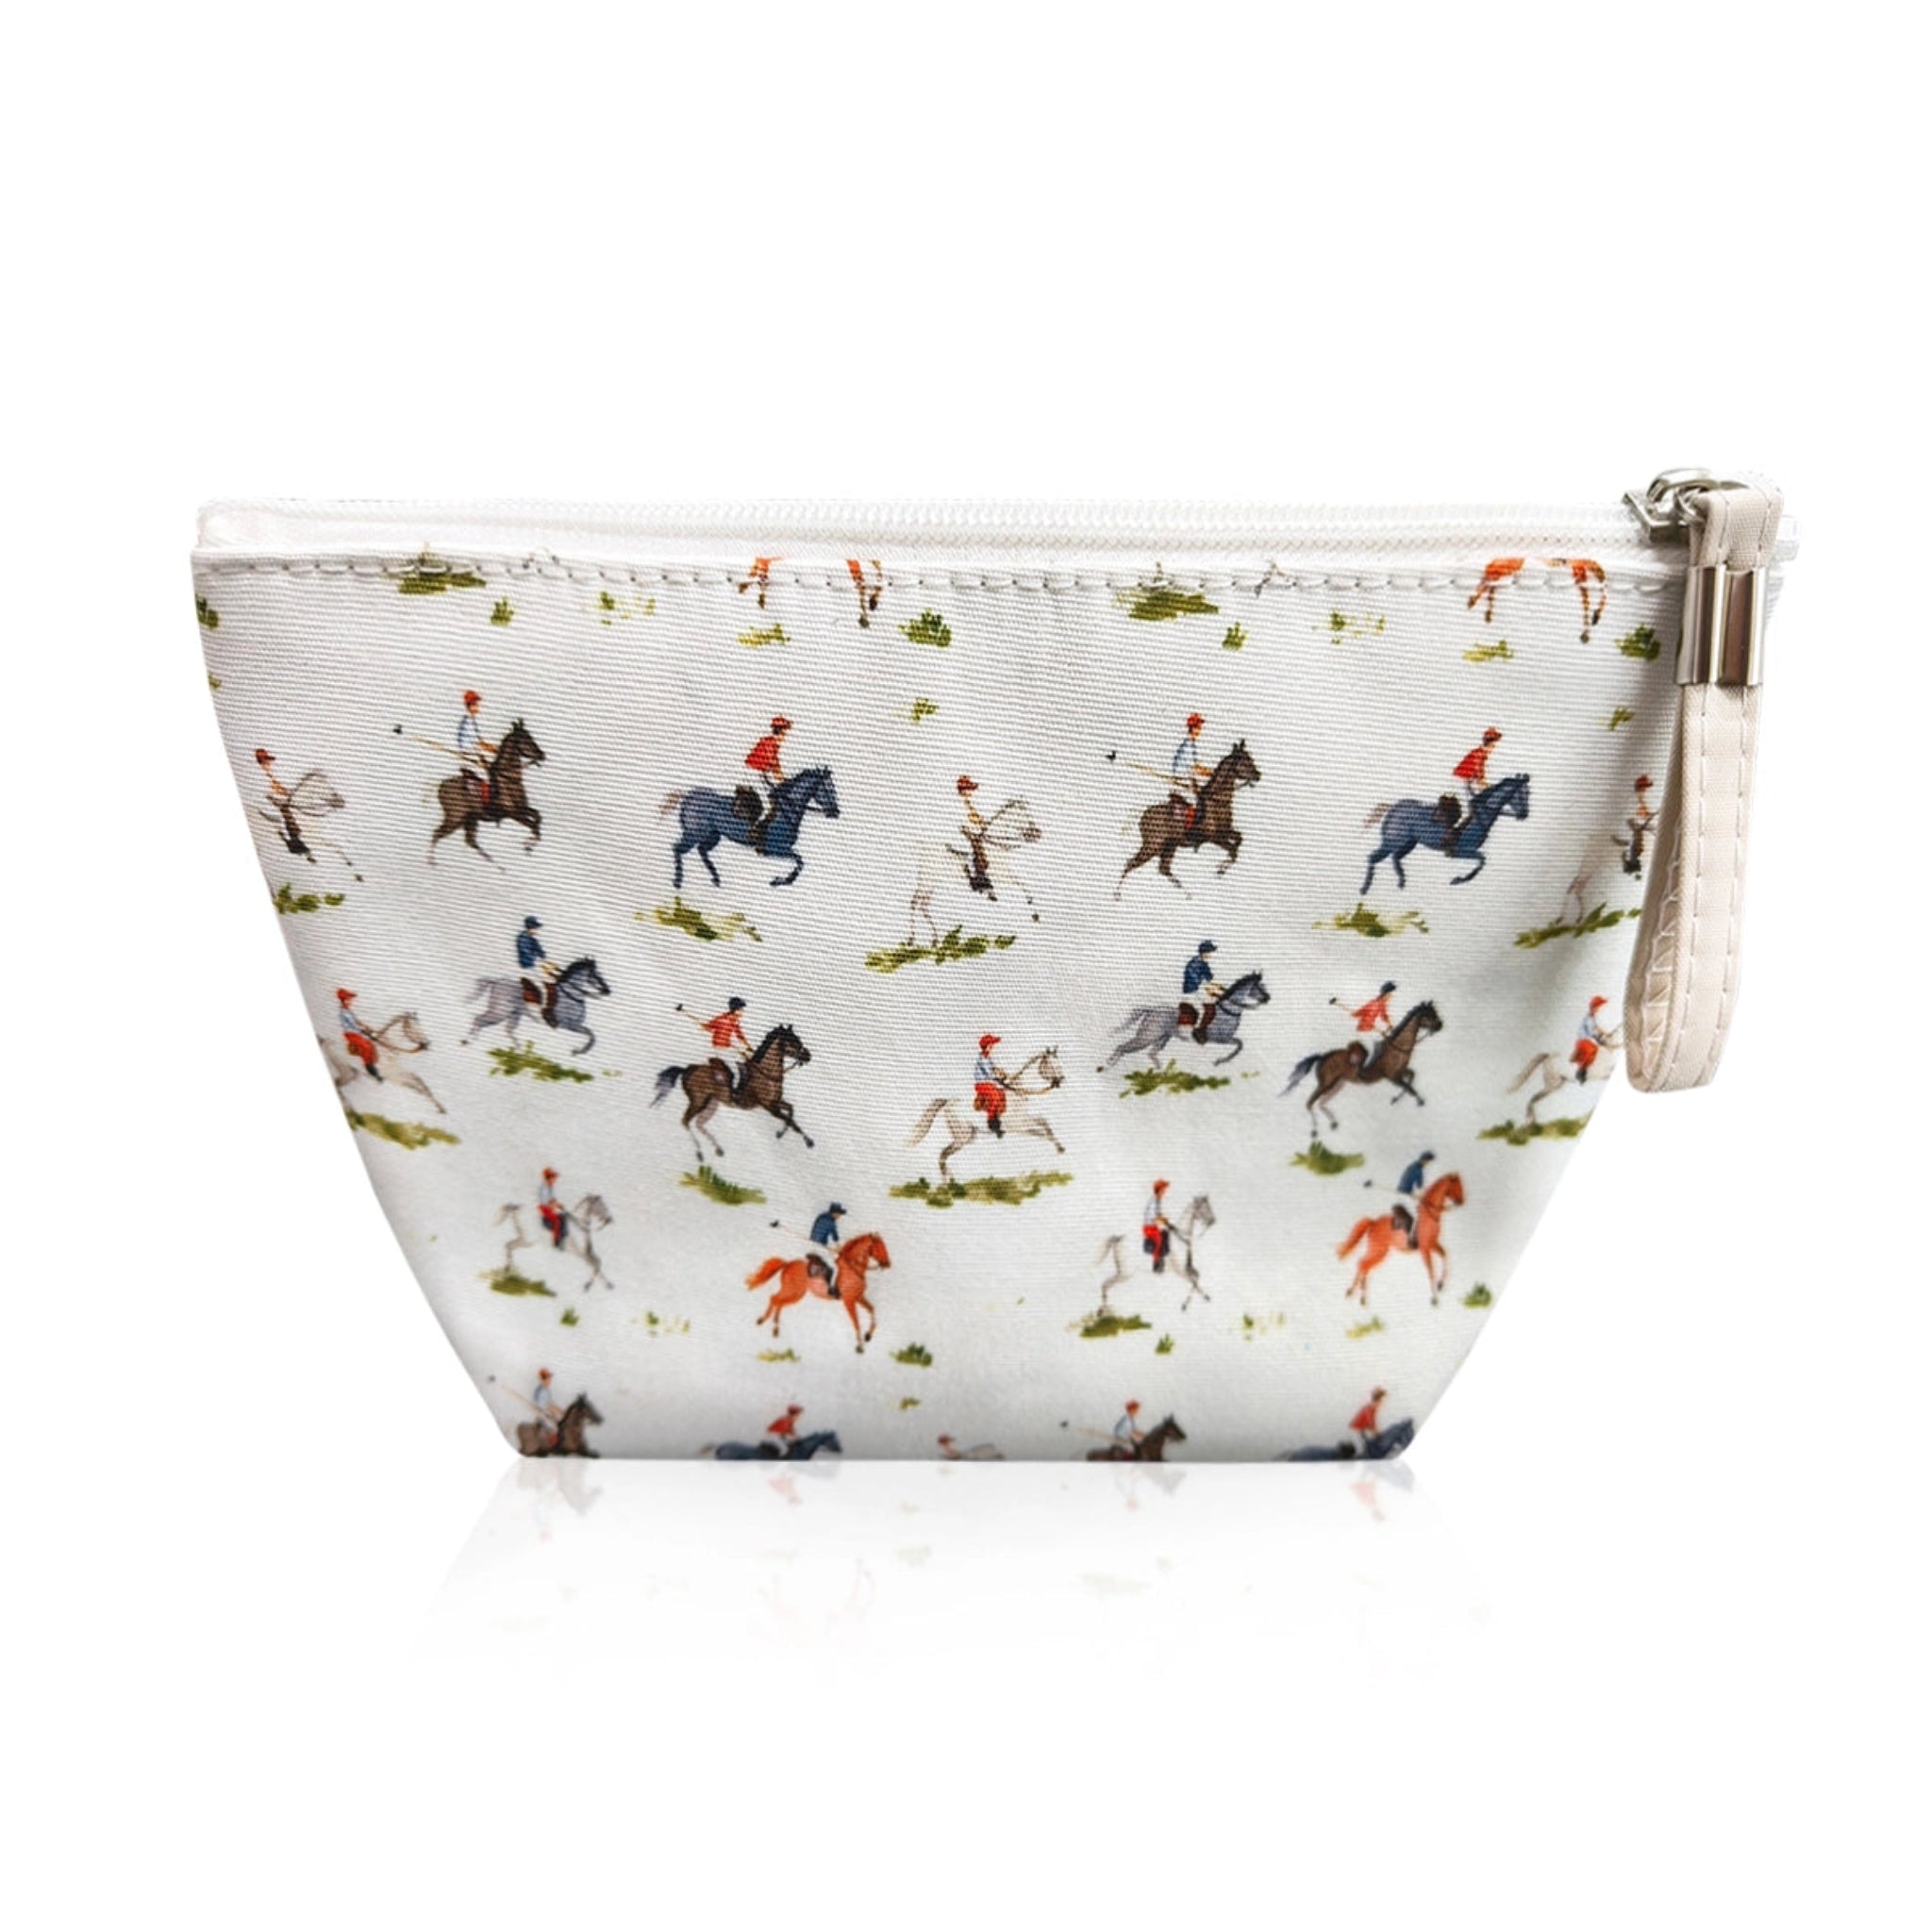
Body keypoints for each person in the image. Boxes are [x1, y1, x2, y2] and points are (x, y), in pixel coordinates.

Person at [1439, 726, 1502, 853]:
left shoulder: (1481, 753)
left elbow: (1480, 779)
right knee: (1468, 810)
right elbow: (1480, 777)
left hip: (1465, 782)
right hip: (1460, 782)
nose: (1495, 747)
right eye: (1494, 743)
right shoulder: (1480, 754)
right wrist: (1488, 789)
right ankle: (1448, 841)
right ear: (1490, 743)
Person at [743, 715, 792, 850]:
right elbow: (774, 767)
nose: (786, 735)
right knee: (767, 806)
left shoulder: (772, 743)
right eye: (785, 731)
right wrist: (783, 781)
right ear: (780, 731)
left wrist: (783, 781)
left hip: (760, 773)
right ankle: (754, 831)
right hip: (752, 773)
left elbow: (775, 768)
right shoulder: (770, 744)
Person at [255, 748, 308, 856]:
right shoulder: (260, 776)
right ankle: (292, 843)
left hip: (278, 801)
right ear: (261, 761)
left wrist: (285, 792)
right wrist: (279, 795)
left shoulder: (270, 772)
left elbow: (278, 787)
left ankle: (296, 840)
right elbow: (268, 792)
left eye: (268, 760)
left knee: (290, 815)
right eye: (266, 760)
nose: (269, 762)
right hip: (268, 805)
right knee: (284, 818)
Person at [517, 915, 560, 1023]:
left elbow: (541, 953)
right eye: (535, 928)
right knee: (543, 988)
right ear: (530, 927)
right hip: (526, 967)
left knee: (553, 980)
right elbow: (527, 953)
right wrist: (539, 961)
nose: (536, 930)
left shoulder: (533, 939)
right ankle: (543, 1011)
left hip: (534, 966)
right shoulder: (522, 938)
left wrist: (550, 963)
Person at [456, 691, 496, 806]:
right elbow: (478, 743)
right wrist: (492, 749)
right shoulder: (468, 722)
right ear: (470, 706)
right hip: (469, 755)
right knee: (487, 776)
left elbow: (480, 741)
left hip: (475, 754)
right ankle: (484, 806)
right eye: (476, 705)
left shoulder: (471, 721)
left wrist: (492, 748)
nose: (478, 707)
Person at [1172, 713, 1211, 830]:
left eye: (1199, 728)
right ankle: (1188, 831)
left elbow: (1196, 766)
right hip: (1182, 781)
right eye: (1197, 728)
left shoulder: (1191, 745)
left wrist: (1209, 772)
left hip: (1188, 780)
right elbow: (1194, 768)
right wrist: (1210, 773)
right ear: (1192, 729)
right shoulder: (1188, 746)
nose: (1199, 731)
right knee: (1196, 802)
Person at [1180, 941, 1224, 1043]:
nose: (1210, 955)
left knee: (1214, 1002)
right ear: (1204, 952)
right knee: (1202, 1010)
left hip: (1198, 992)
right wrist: (1208, 989)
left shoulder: (1204, 964)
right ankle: (1196, 1030)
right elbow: (1194, 981)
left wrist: (1221, 988)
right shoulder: (1193, 964)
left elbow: (1210, 979)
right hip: (1190, 993)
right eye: (1209, 952)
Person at [957, 775, 994, 895]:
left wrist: (982, 824)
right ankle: (977, 878)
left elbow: (977, 818)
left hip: (974, 833)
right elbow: (963, 821)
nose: (971, 792)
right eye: (968, 789)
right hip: (964, 835)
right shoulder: (959, 804)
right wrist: (971, 830)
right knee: (976, 850)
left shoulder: (970, 803)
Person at [336, 988, 381, 1082]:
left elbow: (356, 1021)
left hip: (356, 1033)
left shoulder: (348, 1010)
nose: (350, 1002)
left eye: (350, 1000)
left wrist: (366, 1026)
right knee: (366, 1047)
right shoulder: (343, 1013)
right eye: (349, 1000)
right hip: (350, 1034)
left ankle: (373, 1064)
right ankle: (369, 1066)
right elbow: (353, 1026)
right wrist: (365, 1031)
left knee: (370, 1044)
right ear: (344, 1001)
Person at [973, 1034, 1010, 1139]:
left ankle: (997, 1117)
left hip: (988, 1083)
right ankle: (991, 1121)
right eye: (991, 1045)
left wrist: (1001, 1072)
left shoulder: (988, 1057)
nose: (992, 1047)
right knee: (995, 1097)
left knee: (1001, 1093)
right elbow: (989, 1073)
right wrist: (998, 1077)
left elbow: (994, 1068)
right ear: (987, 1046)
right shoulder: (982, 1058)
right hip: (982, 1084)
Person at [1623, 774, 1656, 877]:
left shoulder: (1639, 800)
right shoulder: (1635, 801)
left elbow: (1644, 814)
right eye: (1644, 788)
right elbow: (1636, 817)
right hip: (1636, 833)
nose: (1645, 791)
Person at [1573, 994, 1610, 1084]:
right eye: (1598, 1008)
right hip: (1583, 1041)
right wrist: (1599, 1039)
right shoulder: (1589, 1018)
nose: (1599, 1010)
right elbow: (1591, 1032)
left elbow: (1596, 1028)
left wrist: (1605, 1033)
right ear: (1594, 1007)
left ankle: (1582, 1072)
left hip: (1585, 1040)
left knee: (1593, 1050)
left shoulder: (1592, 1017)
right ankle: (1581, 1073)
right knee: (1591, 1050)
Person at [1142, 1180, 1174, 1274]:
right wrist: (1165, 1222)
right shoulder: (1153, 1201)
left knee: (1165, 1234)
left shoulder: (1158, 1200)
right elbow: (1155, 1217)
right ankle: (1156, 1262)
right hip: (1148, 1227)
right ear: (1158, 1190)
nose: (1164, 1192)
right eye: (1163, 1190)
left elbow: (1159, 1215)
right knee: (1158, 1239)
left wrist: (1167, 1223)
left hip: (1154, 1226)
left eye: (1164, 1190)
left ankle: (1162, 1257)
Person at [538, 1167, 567, 1248]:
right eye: (553, 1177)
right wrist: (554, 1205)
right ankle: (556, 1240)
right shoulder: (543, 1188)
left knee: (563, 1215)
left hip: (551, 1206)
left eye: (555, 1177)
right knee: (556, 1220)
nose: (555, 1179)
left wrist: (559, 1205)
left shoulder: (551, 1187)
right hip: (545, 1208)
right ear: (548, 1178)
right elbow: (545, 1202)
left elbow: (553, 1198)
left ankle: (563, 1234)